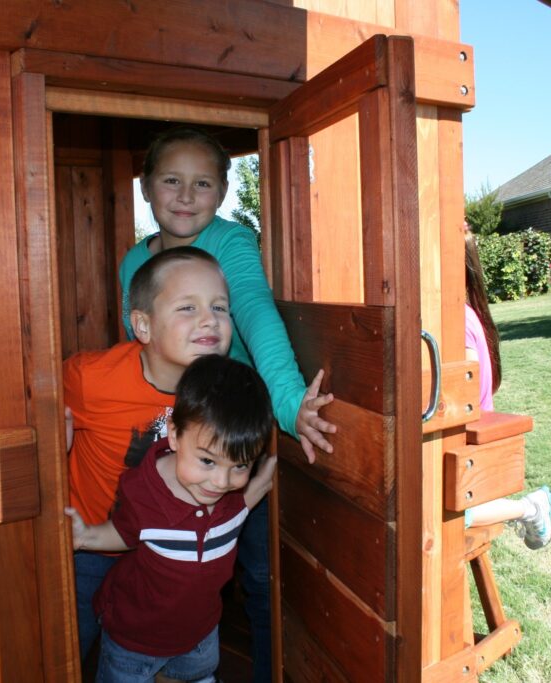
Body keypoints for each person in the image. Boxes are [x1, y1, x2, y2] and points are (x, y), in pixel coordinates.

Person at [120, 126, 335, 681]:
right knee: (165, 559)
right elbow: (132, 348)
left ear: (221, 192)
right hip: (173, 435)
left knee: (258, 575)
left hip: (235, 433)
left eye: (202, 183)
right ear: (146, 187)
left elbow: (259, 318)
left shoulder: (230, 243)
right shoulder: (133, 263)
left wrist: (289, 407)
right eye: (171, 180)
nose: (186, 196)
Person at [63, 246, 232, 667]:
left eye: (219, 307)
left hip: (164, 554)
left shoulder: (224, 391)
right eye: (187, 307)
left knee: (161, 655)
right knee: (71, 647)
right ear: (143, 325)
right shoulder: (90, 380)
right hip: (91, 548)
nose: (209, 319)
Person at [65, 354, 278, 683]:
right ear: (175, 435)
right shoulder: (144, 488)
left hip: (199, 640)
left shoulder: (236, 495)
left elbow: (250, 495)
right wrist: (85, 536)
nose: (221, 483)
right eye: (207, 461)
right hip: (132, 644)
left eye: (239, 466)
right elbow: (125, 533)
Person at [462, 230, 551, 549]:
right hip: (463, 451)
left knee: (443, 511)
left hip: (470, 457)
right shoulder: (465, 314)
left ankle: (531, 508)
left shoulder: (458, 321)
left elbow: (463, 398)